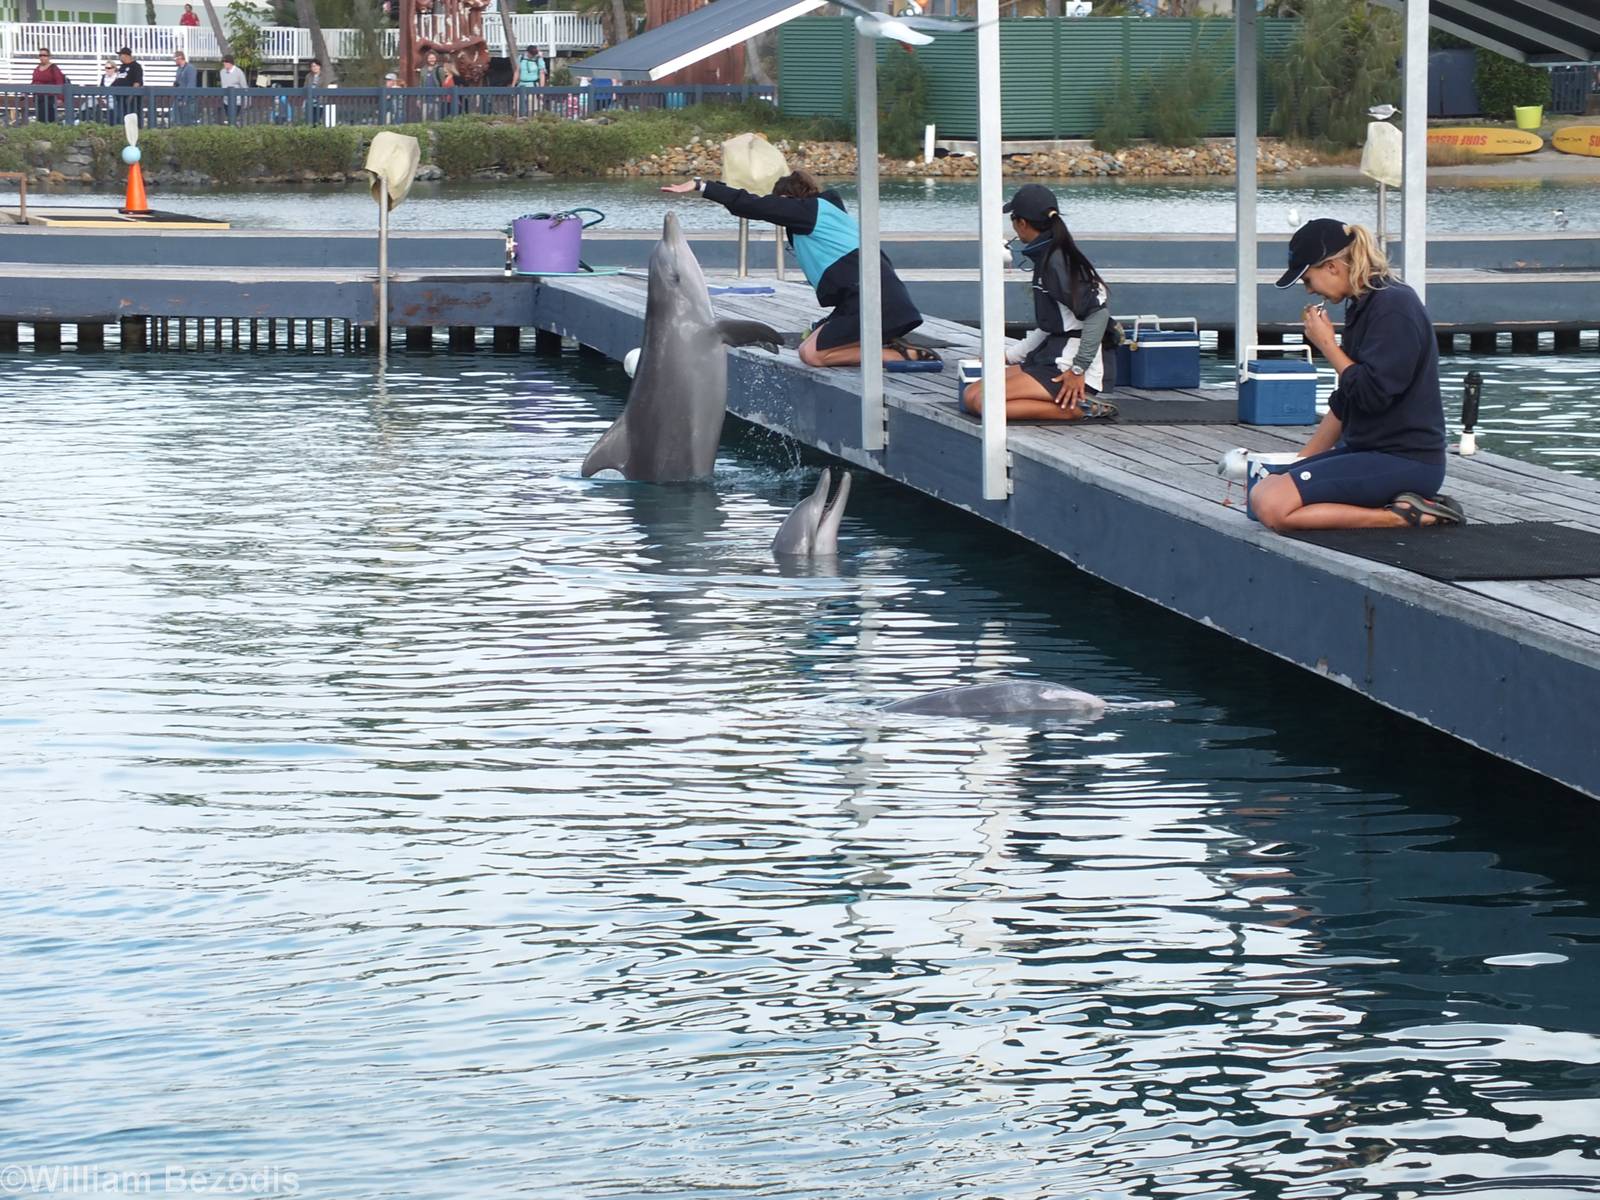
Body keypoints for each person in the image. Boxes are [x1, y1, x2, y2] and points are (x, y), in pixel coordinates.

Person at [1249, 218, 1462, 531]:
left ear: (1333, 267)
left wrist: (1327, 345)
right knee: (1263, 490)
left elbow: (1371, 394)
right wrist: (1299, 462)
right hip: (1368, 452)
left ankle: (1401, 516)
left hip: (1407, 461)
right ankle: (1401, 508)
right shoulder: (1363, 303)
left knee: (1272, 506)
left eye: (1308, 280)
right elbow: (1347, 400)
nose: (1308, 291)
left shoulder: (1393, 306)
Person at [660, 169, 930, 368]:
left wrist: (701, 185)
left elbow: (752, 204)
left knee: (810, 354)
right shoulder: (830, 215)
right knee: (813, 338)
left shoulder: (806, 211)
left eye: (780, 203)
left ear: (788, 199)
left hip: (875, 302)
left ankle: (893, 355)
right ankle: (888, 345)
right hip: (879, 300)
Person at [963, 183, 1114, 422]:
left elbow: (1097, 315)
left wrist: (1078, 370)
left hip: (1068, 366)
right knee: (971, 395)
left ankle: (1082, 407)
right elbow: (1049, 326)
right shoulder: (1050, 256)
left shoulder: (1057, 262)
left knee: (985, 404)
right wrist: (1008, 357)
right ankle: (1068, 402)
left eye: (1012, 219)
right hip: (1048, 357)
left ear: (1021, 223)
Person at [31, 48, 66, 124]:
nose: (42, 57)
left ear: (49, 57)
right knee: (40, 119)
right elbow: (34, 81)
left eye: (44, 55)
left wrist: (60, 98)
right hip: (38, 98)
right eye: (40, 55)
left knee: (49, 119)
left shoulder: (53, 68)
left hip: (50, 98)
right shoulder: (37, 68)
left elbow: (59, 82)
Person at [110, 46, 143, 124]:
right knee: (119, 118)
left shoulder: (136, 66)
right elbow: (118, 79)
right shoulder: (122, 67)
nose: (119, 58)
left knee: (131, 119)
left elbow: (137, 82)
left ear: (126, 56)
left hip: (131, 100)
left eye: (120, 55)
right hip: (119, 99)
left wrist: (131, 96)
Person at [218, 53, 247, 125]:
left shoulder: (239, 72)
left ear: (230, 63)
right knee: (228, 118)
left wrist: (246, 102)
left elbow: (244, 86)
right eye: (223, 62)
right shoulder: (222, 72)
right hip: (226, 100)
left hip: (237, 101)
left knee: (233, 118)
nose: (224, 64)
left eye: (226, 62)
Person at [516, 44, 544, 116]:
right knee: (518, 107)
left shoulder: (538, 59)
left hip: (533, 85)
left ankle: (532, 122)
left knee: (532, 108)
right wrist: (513, 85)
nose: (532, 55)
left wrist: (541, 90)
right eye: (531, 54)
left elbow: (542, 74)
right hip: (521, 85)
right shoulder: (521, 58)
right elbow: (517, 71)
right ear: (527, 52)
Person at [171, 49, 197, 125]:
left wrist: (185, 99)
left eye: (175, 59)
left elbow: (191, 84)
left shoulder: (190, 68)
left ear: (180, 58)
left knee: (188, 120)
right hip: (178, 98)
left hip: (188, 99)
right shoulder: (179, 69)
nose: (174, 61)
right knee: (175, 119)